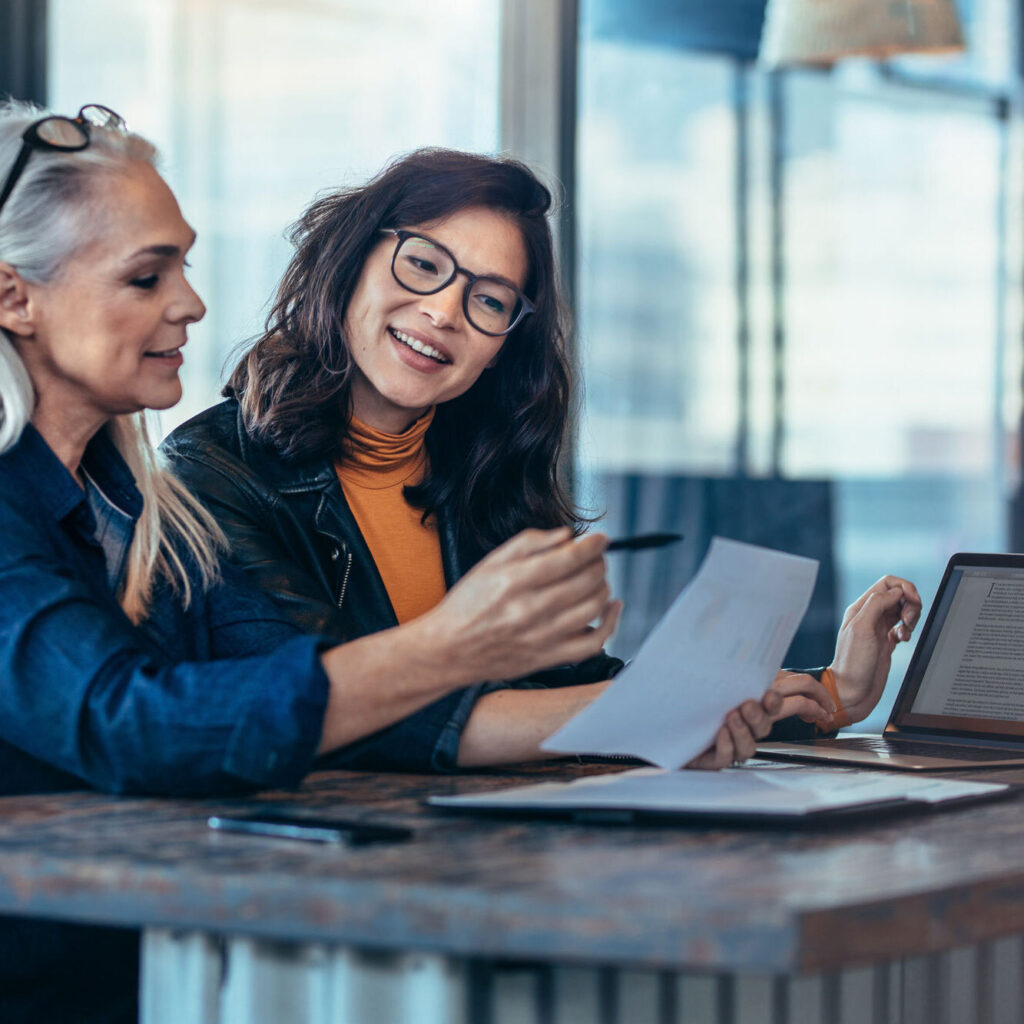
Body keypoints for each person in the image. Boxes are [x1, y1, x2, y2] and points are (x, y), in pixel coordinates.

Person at [0, 101, 862, 1022]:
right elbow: (147, 721)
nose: (192, 302)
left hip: (169, 955)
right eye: (147, 275)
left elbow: (259, 705)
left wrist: (738, 700)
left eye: (487, 299)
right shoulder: (198, 478)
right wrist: (459, 650)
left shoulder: (128, 503)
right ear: (15, 297)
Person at [162, 145, 922, 762]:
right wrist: (656, 714)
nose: (443, 312)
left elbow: (573, 691)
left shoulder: (484, 476)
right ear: (351, 261)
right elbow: (336, 711)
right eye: (423, 264)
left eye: (489, 300)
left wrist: (830, 693)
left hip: (494, 863)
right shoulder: (211, 472)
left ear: (503, 346)